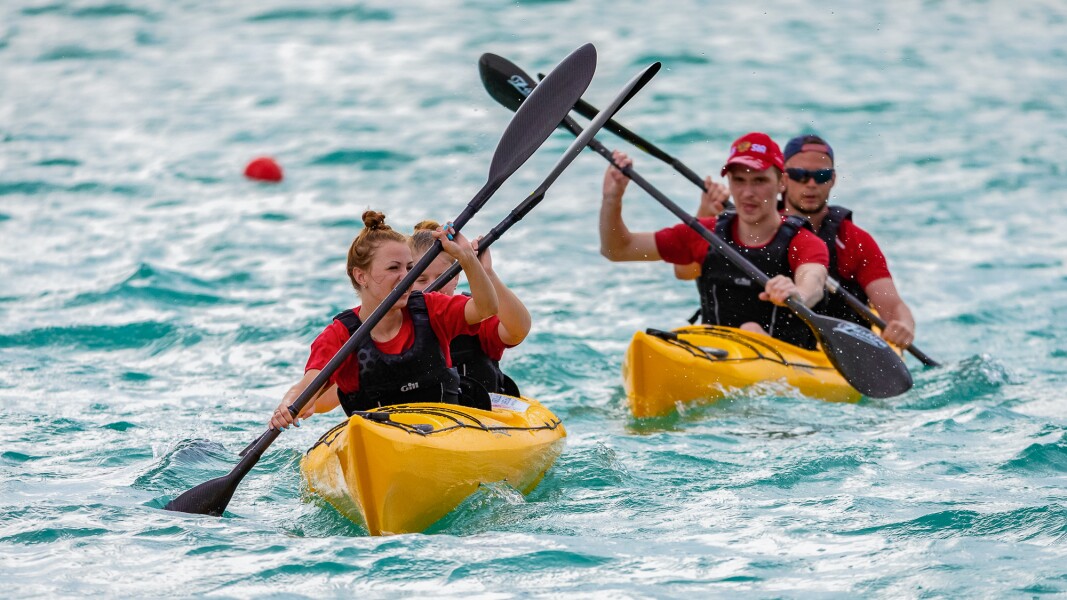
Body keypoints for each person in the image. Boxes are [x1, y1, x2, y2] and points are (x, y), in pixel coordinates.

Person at [269, 210, 498, 430]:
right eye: (393, 268)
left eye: (409, 268)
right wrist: (287, 406)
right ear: (361, 276)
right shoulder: (341, 335)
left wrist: (466, 257)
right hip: (380, 445)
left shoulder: (430, 308)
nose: (405, 276)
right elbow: (307, 385)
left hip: (446, 433)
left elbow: (486, 307)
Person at [600, 132, 829, 350]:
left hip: (790, 363)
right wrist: (612, 198)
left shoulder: (803, 242)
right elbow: (618, 250)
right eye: (739, 180)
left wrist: (797, 294)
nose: (747, 192)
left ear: (782, 183)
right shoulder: (704, 233)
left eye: (759, 180)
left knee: (751, 329)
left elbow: (814, 283)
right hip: (714, 352)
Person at [780, 134, 916, 348]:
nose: (812, 184)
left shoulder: (855, 240)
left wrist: (903, 326)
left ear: (833, 179)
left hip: (841, 349)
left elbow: (893, 307)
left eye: (822, 175)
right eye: (800, 175)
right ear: (783, 179)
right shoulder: (761, 227)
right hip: (774, 343)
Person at [408, 221, 530, 397]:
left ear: (456, 278)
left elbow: (518, 330)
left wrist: (486, 272)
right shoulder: (394, 321)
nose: (433, 285)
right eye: (421, 279)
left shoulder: (477, 312)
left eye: (442, 277)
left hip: (480, 416)